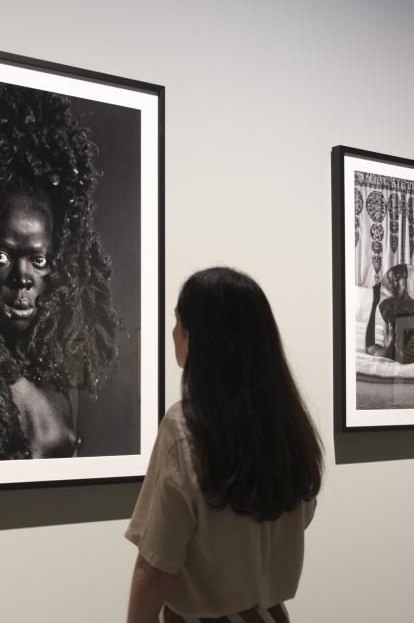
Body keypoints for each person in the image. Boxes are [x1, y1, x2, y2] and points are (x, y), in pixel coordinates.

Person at [126, 267, 323, 623]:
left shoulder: (185, 426)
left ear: (197, 337)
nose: (173, 333)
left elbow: (156, 564)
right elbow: (302, 517)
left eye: (178, 321)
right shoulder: (287, 425)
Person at [0, 83, 120, 460]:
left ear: (61, 264)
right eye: (1, 257)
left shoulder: (62, 364)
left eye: (39, 261)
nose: (22, 278)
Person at [366, 264, 414, 363]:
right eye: (390, 280)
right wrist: (374, 304)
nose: (392, 284)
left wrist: (374, 304)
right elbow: (370, 347)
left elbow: (370, 346)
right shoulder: (387, 306)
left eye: (395, 278)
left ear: (405, 276)